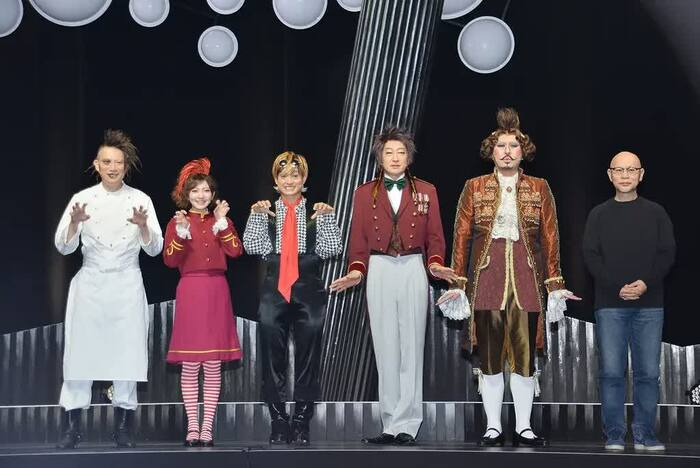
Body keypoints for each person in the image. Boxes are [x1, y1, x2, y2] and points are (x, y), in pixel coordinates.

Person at [438, 108, 579, 447]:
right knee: (489, 357)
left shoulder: (540, 187)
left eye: (513, 146)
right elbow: (461, 236)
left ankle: (524, 426)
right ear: (491, 151)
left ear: (522, 151)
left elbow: (550, 237)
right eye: (500, 146)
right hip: (487, 278)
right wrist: (457, 283)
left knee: (525, 357)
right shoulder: (473, 187)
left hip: (526, 280)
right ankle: (493, 426)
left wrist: (555, 283)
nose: (506, 152)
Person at [330, 127, 455, 446]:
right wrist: (356, 271)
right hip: (380, 267)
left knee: (411, 347)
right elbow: (358, 240)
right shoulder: (363, 193)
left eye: (401, 152)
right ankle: (390, 422)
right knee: (385, 347)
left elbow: (435, 236)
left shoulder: (426, 190)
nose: (395, 158)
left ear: (409, 157)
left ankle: (408, 424)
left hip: (413, 266)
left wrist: (435, 263)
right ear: (380, 158)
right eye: (389, 152)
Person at [54, 129, 163, 449]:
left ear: (126, 166)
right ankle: (72, 428)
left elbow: (155, 249)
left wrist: (144, 227)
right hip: (90, 284)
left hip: (126, 283)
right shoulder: (83, 199)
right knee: (79, 355)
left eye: (118, 162)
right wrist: (75, 223)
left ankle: (124, 428)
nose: (112, 167)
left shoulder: (141, 200)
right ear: (96, 164)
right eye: (106, 162)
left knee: (127, 355)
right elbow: (63, 246)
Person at [243, 151, 342, 445]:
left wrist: (327, 219)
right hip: (274, 289)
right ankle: (278, 420)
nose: (289, 181)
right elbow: (252, 246)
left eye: (295, 176)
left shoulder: (316, 211)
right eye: (283, 176)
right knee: (271, 356)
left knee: (308, 357)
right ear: (276, 180)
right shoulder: (265, 211)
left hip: (308, 289)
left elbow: (332, 249)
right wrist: (256, 216)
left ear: (303, 179)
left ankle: (301, 420)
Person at [582, 151, 675, 452]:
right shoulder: (598, 214)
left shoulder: (657, 212)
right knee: (611, 373)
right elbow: (590, 256)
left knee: (648, 373)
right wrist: (616, 287)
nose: (625, 175)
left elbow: (667, 253)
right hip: (610, 304)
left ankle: (646, 434)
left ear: (641, 174)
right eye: (619, 170)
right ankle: (614, 435)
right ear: (610, 175)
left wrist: (645, 283)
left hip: (650, 304)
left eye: (631, 170)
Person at [163, 157, 244, 447]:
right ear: (187, 194)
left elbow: (236, 252)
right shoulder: (177, 222)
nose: (201, 195)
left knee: (212, 363)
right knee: (189, 364)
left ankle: (206, 427)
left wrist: (222, 224)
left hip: (217, 290)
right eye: (195, 190)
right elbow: (170, 260)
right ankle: (192, 427)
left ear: (213, 193)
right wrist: (181, 232)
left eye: (206, 190)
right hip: (190, 290)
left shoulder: (221, 220)